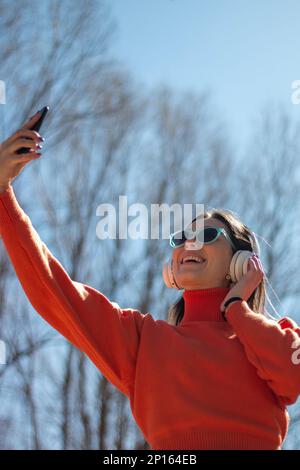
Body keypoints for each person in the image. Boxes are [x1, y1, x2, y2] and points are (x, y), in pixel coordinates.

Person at [0, 112, 300, 450]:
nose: (191, 242)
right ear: (171, 267)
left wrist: (236, 308)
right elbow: (54, 290)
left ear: (241, 262)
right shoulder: (144, 343)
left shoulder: (277, 337)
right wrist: (2, 194)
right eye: (182, 237)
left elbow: (292, 379)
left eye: (208, 234)